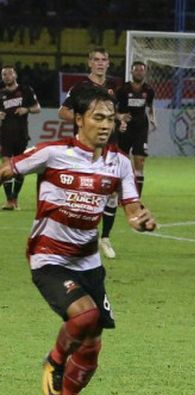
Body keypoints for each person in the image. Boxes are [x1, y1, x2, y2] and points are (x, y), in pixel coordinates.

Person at [0, 85, 157, 395]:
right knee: (84, 318)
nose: (105, 125)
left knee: (92, 345)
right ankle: (55, 361)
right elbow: (7, 170)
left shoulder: (119, 164)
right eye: (98, 118)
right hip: (48, 257)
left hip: (88, 263)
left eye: (110, 119)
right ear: (80, 119)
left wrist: (140, 219)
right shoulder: (52, 153)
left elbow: (131, 209)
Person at [59, 47, 123, 259]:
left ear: (108, 63)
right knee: (81, 191)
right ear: (89, 63)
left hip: (109, 146)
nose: (100, 63)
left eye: (103, 59)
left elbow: (113, 114)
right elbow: (63, 111)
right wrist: (86, 121)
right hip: (84, 148)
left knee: (112, 191)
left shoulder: (114, 86)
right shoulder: (80, 87)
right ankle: (75, 240)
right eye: (96, 59)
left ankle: (105, 238)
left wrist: (118, 121)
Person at [0, 65, 41, 210]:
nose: (7, 76)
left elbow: (37, 108)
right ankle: (9, 200)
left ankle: (15, 197)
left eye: (9, 73)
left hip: (21, 135)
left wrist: (26, 109)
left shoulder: (25, 90)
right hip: (4, 135)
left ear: (15, 75)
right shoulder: (1, 93)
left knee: (19, 168)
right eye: (4, 74)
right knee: (5, 165)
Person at [115, 61, 157, 196]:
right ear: (131, 72)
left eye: (141, 70)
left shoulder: (149, 90)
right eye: (136, 70)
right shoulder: (122, 90)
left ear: (145, 73)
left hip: (141, 129)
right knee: (123, 161)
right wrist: (119, 116)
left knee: (140, 160)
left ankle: (136, 197)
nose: (139, 72)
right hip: (125, 128)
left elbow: (150, 107)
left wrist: (153, 119)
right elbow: (112, 108)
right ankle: (120, 192)